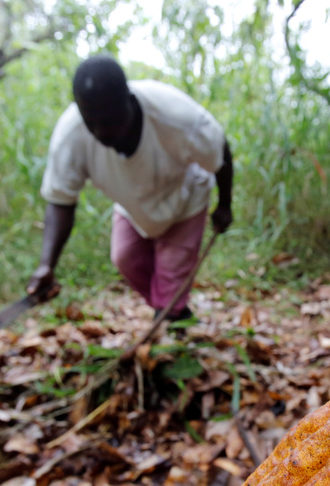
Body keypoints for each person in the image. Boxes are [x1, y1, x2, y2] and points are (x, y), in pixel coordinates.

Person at [27, 55, 233, 322]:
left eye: (108, 120)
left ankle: (171, 321)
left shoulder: (177, 118)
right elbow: (61, 201)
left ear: (129, 100)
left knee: (171, 272)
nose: (100, 132)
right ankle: (171, 310)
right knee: (125, 259)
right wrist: (47, 265)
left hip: (184, 198)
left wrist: (224, 204)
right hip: (132, 206)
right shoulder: (71, 134)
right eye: (91, 122)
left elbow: (220, 151)